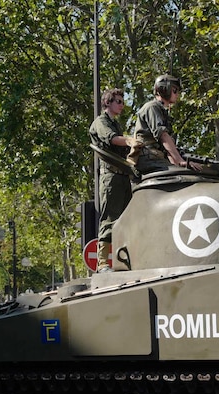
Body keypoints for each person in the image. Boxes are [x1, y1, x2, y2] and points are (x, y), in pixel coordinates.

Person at [90, 88, 134, 272]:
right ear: (108, 102)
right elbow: (112, 139)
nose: (122, 105)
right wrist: (131, 141)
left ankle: (122, 259)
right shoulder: (101, 122)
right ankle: (102, 263)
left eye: (122, 102)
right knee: (110, 219)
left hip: (123, 176)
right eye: (118, 101)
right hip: (111, 177)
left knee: (126, 219)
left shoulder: (115, 124)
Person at [131, 74, 199, 174]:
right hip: (148, 158)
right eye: (174, 90)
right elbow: (163, 136)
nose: (177, 94)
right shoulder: (152, 107)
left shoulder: (162, 111)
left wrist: (181, 163)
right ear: (164, 89)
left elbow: (167, 148)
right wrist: (180, 161)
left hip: (156, 157)